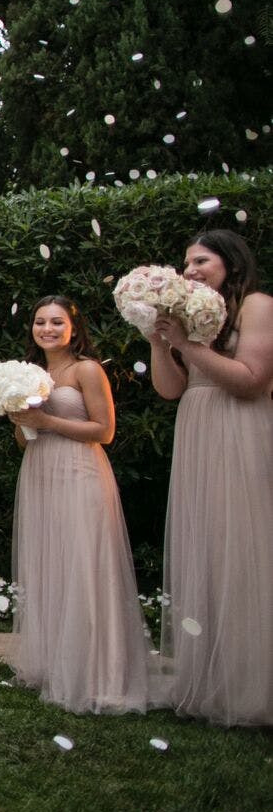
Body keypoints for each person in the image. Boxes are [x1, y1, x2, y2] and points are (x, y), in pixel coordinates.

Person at [149, 230, 273, 725]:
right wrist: (160, 345)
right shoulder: (190, 315)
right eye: (186, 263)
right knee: (207, 552)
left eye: (200, 260)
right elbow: (170, 390)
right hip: (197, 431)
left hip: (241, 430)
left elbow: (251, 380)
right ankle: (209, 680)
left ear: (231, 262)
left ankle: (250, 686)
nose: (190, 270)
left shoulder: (257, 305)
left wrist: (187, 344)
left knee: (243, 549)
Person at [7, 296, 148, 714]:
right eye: (39, 322)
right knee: (51, 562)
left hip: (80, 470)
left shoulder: (87, 369)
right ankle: (57, 663)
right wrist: (22, 419)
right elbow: (23, 439)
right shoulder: (32, 374)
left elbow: (104, 431)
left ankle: (97, 673)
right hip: (40, 470)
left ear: (73, 328)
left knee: (85, 564)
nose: (47, 329)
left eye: (56, 322)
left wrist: (47, 421)